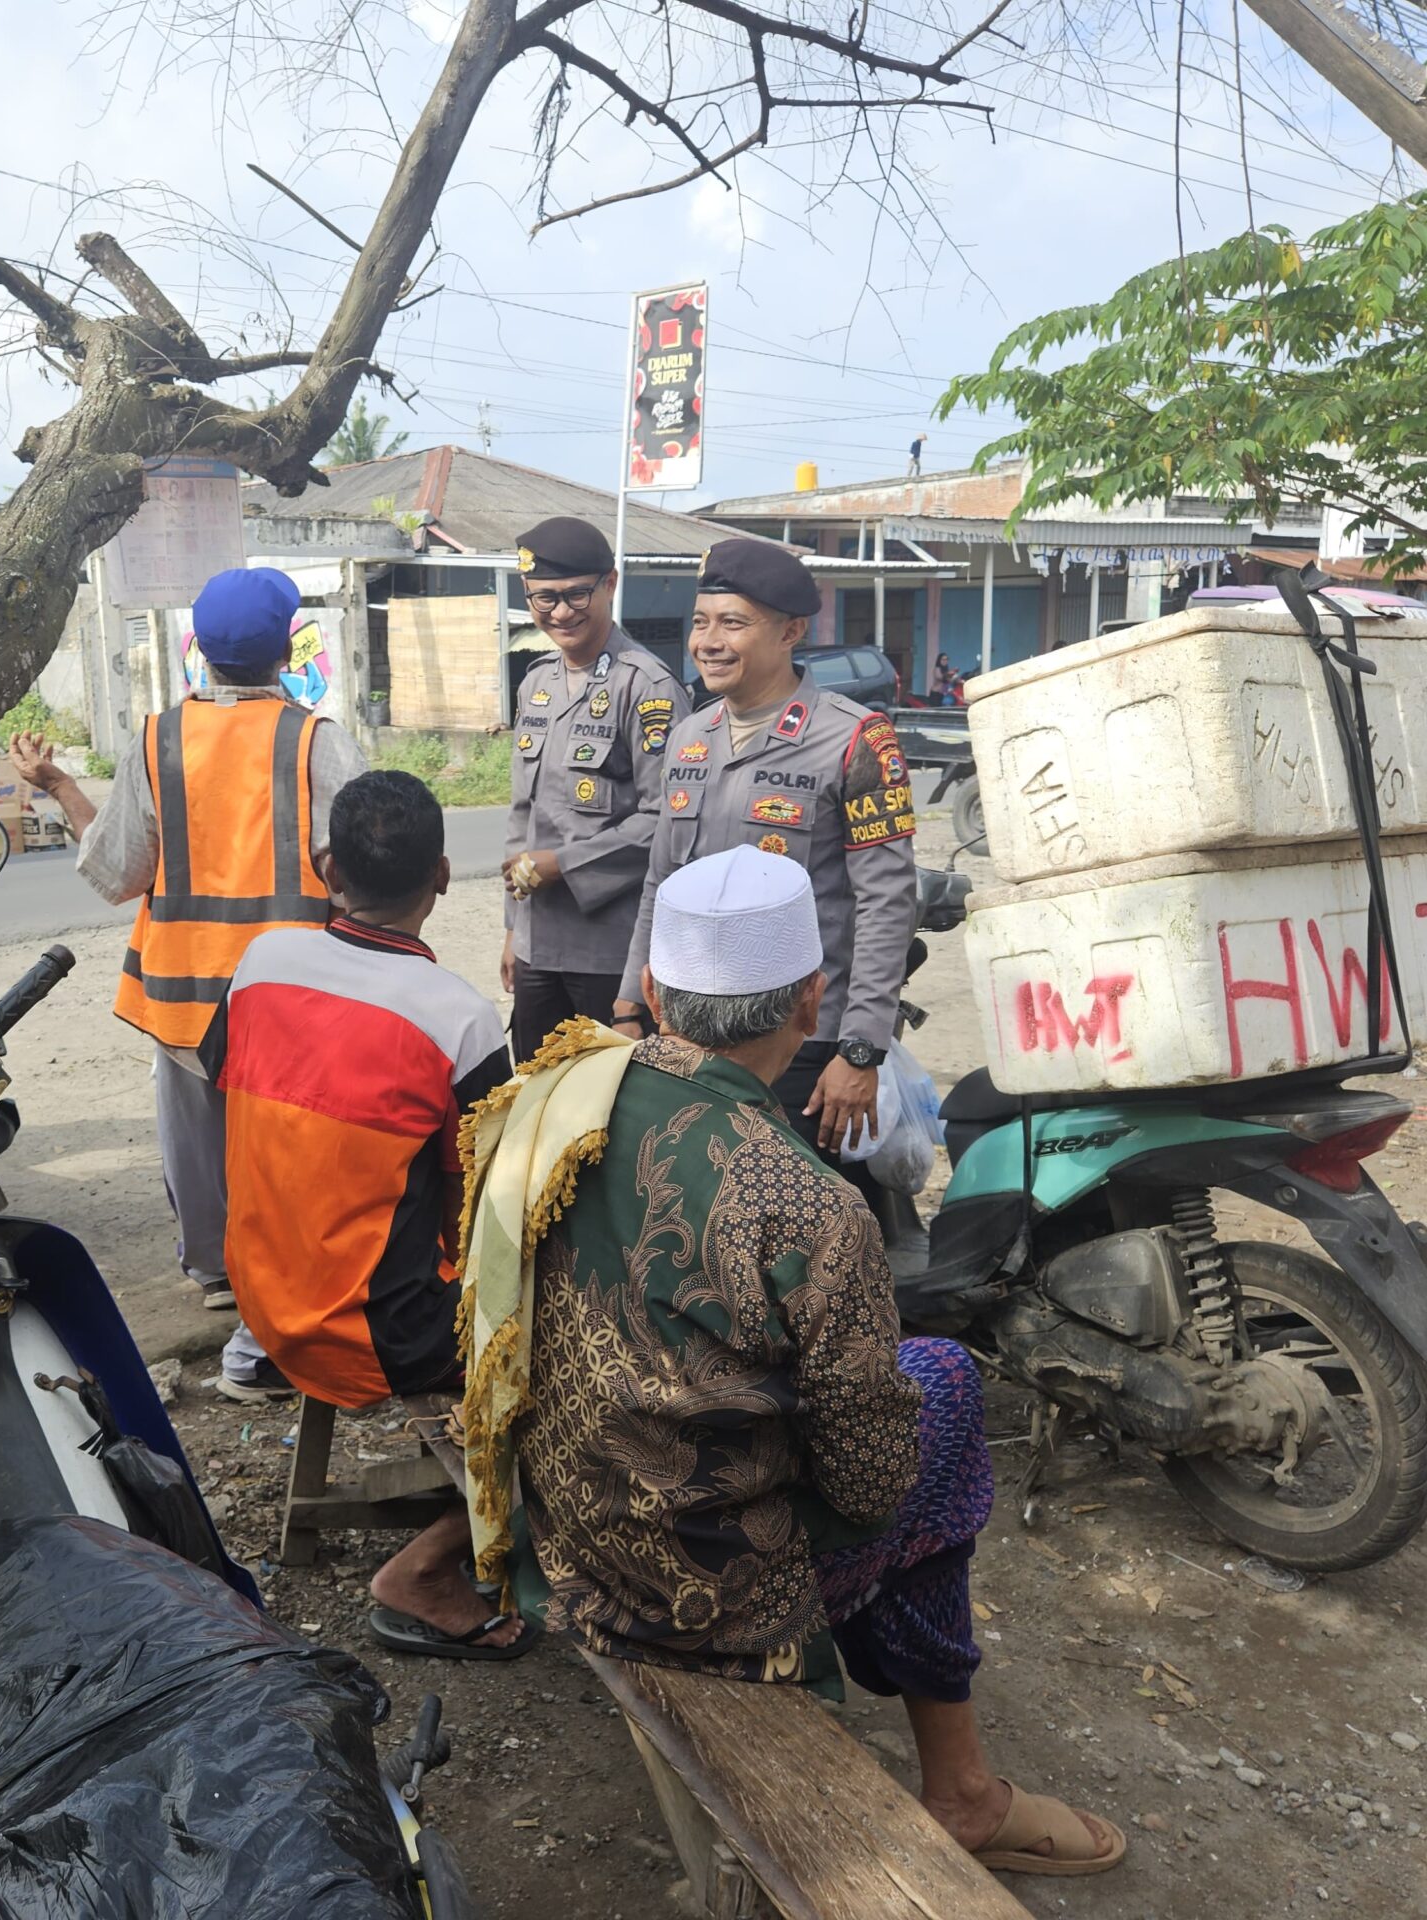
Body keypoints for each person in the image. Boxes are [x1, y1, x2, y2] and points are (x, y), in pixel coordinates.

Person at [463, 848, 1125, 1876]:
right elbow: (869, 1488)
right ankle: (961, 1790)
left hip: (558, 1516)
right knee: (944, 1392)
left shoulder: (551, 1098)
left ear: (652, 992)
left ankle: (961, 1783)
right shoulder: (810, 1202)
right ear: (812, 1001)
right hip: (699, 1591)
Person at [202, 770, 528, 1656]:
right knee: (589, 1376)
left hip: (259, 1295)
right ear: (443, 877)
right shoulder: (459, 1020)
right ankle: (425, 1570)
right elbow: (486, 1203)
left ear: (328, 868)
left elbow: (221, 1084)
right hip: (373, 1329)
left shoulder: (259, 965)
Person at [10, 566, 364, 1333]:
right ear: (287, 651)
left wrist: (60, 785)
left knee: (196, 1145)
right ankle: (291, 1271)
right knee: (290, 1138)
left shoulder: (158, 740)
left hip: (180, 993)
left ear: (198, 649)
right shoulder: (318, 743)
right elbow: (359, 872)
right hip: (292, 991)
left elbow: (118, 870)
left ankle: (216, 1270)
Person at [613, 536, 922, 1247]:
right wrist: (631, 1006)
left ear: (790, 632)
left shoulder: (854, 740)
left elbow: (886, 903)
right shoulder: (689, 739)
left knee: (803, 1235)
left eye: (733, 623)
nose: (708, 642)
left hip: (800, 1043)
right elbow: (661, 884)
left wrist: (861, 1051)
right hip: (691, 1034)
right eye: (701, 622)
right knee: (697, 1221)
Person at [501, 516, 691, 1060]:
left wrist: (565, 864)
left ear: (610, 584)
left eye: (576, 594)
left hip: (611, 952)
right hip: (537, 945)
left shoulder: (647, 687)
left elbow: (667, 820)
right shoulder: (536, 682)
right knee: (535, 1094)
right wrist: (513, 930)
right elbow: (522, 812)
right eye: (545, 598)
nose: (561, 613)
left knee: (606, 1099)